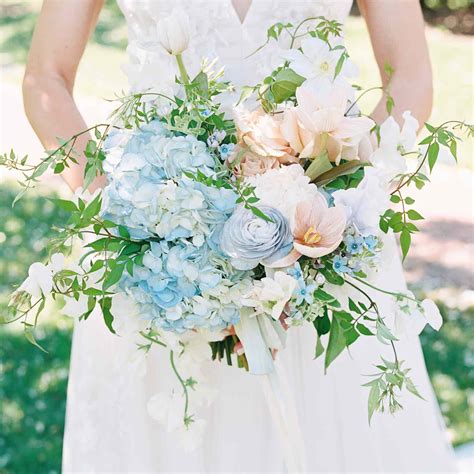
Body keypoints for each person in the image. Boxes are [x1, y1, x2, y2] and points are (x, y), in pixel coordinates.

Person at [23, 1, 456, 471]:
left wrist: (339, 201)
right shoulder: (148, 231)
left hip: (323, 250)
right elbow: (46, 77)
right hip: (159, 261)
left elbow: (408, 77)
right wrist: (132, 210)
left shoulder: (329, 224)